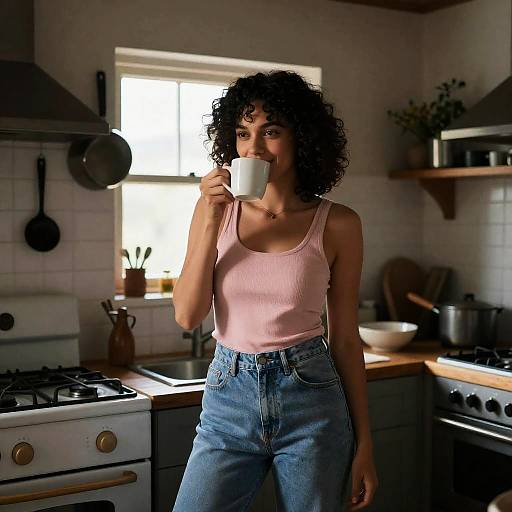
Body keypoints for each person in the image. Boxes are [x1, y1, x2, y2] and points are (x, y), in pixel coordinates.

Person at [172, 70, 378, 511]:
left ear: (301, 138)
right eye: (243, 133)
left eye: (271, 132)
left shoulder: (340, 224)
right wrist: (211, 220)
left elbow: (344, 338)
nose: (254, 147)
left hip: (311, 399)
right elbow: (188, 316)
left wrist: (364, 443)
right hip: (228, 396)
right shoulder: (214, 212)